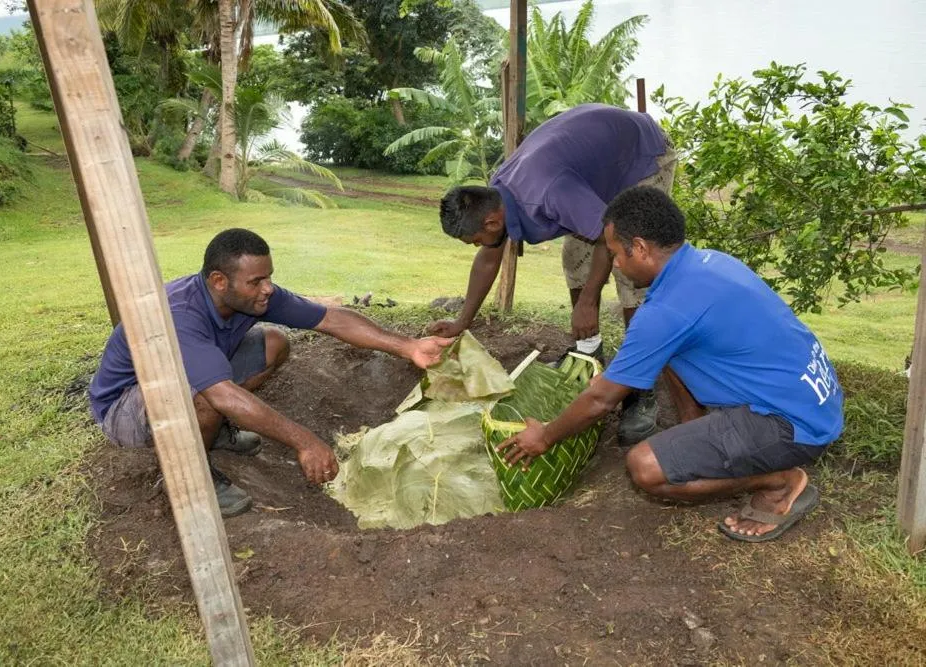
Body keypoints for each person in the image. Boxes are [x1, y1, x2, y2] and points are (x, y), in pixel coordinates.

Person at [496, 187, 844, 542]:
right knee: (667, 353)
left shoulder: (665, 311)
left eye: (616, 253)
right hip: (814, 398)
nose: (614, 263)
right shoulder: (709, 262)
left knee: (645, 468)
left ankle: (781, 483)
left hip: (792, 426)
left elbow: (602, 400)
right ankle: (700, 431)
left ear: (642, 248)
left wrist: (545, 436)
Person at [88, 228, 452, 517]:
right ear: (219, 281)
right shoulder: (180, 315)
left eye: (269, 277)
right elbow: (223, 395)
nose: (268, 289)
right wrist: (305, 441)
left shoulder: (251, 295)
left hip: (180, 382)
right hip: (126, 408)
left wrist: (408, 346)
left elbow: (330, 318)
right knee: (212, 397)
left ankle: (212, 433)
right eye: (256, 281)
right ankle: (191, 480)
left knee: (274, 343)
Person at [430, 103, 677, 446]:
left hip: (641, 158)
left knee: (632, 270)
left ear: (492, 221)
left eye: (475, 239)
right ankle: (589, 352)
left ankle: (639, 386)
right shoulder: (497, 191)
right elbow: (489, 258)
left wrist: (588, 301)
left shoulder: (548, 191)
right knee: (576, 254)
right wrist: (462, 321)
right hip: (597, 168)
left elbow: (608, 239)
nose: (477, 246)